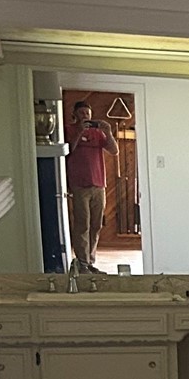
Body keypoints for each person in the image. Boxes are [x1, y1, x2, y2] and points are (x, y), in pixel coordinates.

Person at [64, 100, 115, 272]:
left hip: (99, 184)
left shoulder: (98, 133)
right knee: (82, 224)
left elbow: (114, 150)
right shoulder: (69, 129)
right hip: (79, 185)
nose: (85, 116)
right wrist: (79, 131)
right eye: (82, 113)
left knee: (96, 224)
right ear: (76, 114)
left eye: (88, 113)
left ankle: (90, 261)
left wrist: (108, 132)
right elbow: (69, 149)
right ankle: (82, 261)